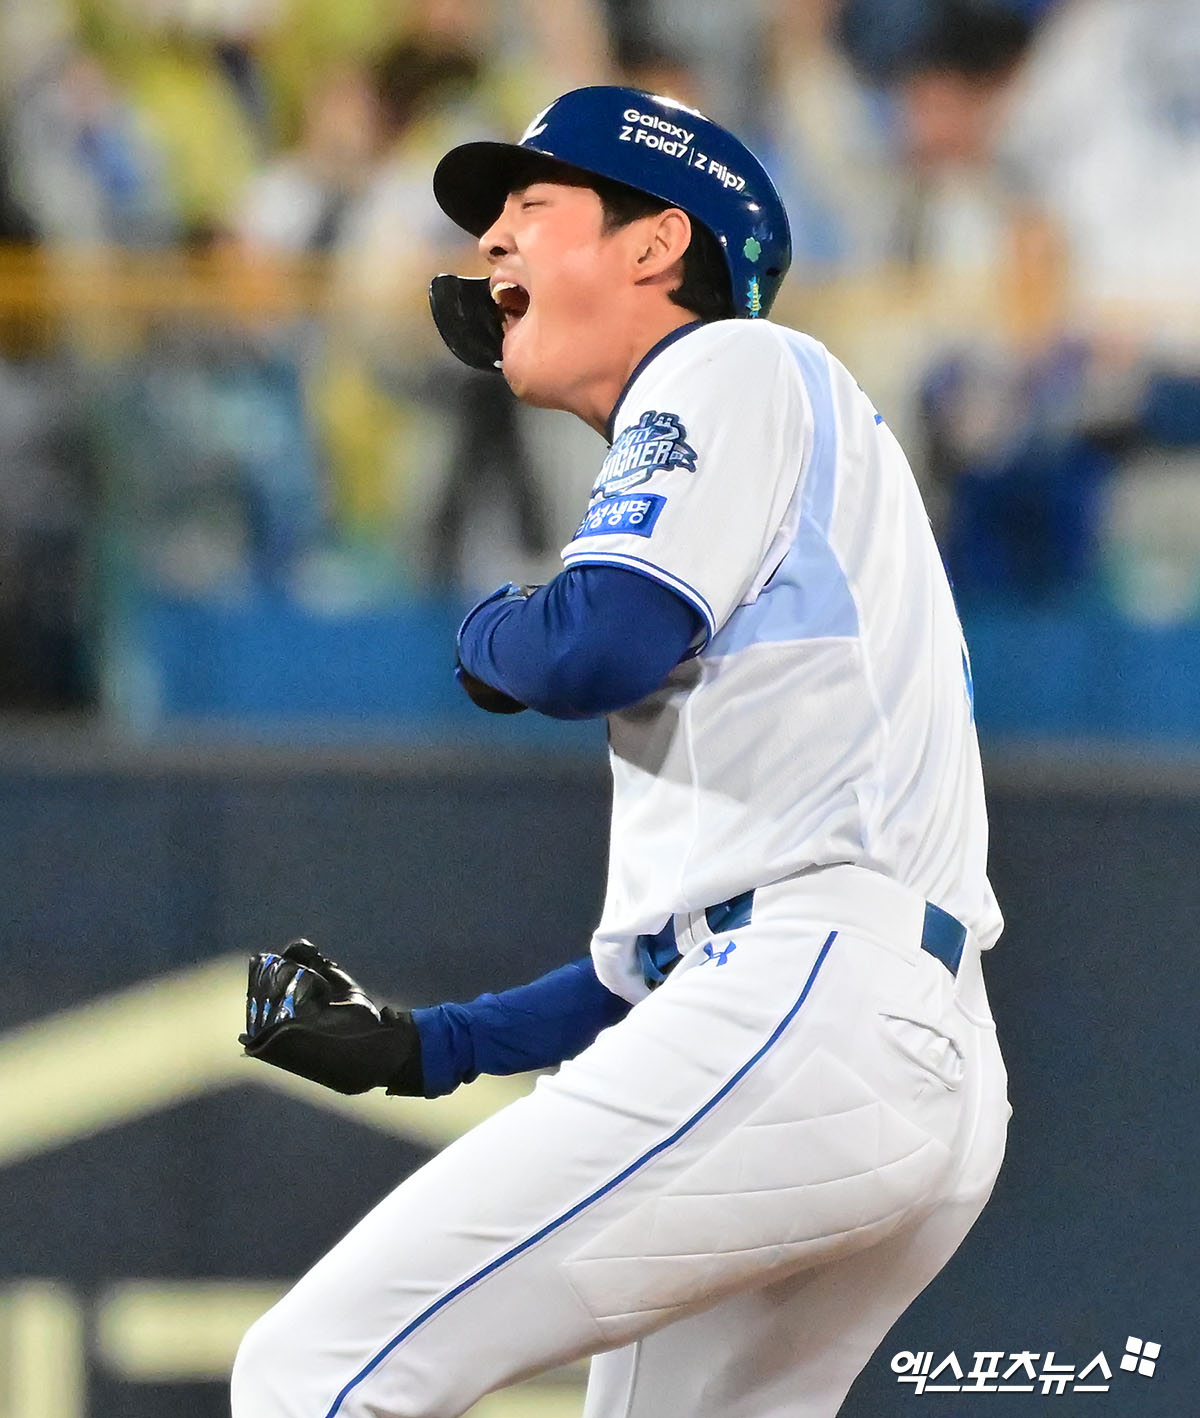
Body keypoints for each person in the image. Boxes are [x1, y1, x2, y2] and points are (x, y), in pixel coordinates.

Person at [231, 85, 1010, 1418]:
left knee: (313, 1370)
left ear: (656, 244)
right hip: (874, 1036)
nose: (491, 242)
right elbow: (670, 966)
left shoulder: (730, 365)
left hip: (818, 1003)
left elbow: (590, 645)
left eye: (532, 206)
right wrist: (428, 1047)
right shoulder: (769, 458)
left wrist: (483, 628)